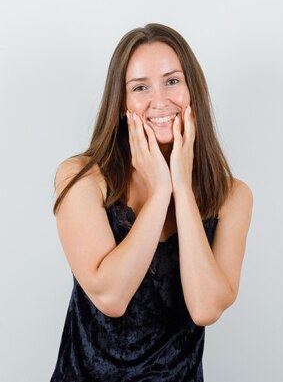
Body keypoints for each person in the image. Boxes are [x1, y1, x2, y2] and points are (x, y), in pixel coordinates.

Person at [49, 23, 253, 381]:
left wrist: (182, 190)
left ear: (193, 91)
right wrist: (160, 192)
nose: (159, 101)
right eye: (140, 87)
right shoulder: (81, 179)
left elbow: (205, 307)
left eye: (172, 81)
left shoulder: (232, 197)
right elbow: (111, 297)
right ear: (122, 103)